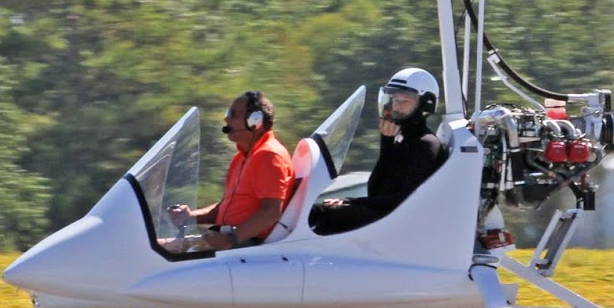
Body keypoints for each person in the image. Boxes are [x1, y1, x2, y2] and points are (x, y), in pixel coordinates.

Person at [310, 67, 445, 235]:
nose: (396, 107)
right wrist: (386, 142)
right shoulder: (402, 139)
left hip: (401, 226)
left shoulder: (426, 144)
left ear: (425, 105)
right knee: (317, 211)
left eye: (404, 101)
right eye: (394, 100)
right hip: (388, 216)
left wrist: (351, 202)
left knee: (325, 214)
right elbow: (376, 189)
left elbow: (406, 200)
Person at [166, 90, 293, 252]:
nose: (226, 119)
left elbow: (271, 212)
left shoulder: (269, 155)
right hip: (232, 240)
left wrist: (231, 238)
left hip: (247, 247)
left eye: (233, 114)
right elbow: (227, 207)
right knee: (159, 248)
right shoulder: (242, 157)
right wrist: (191, 217)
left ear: (254, 121)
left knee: (163, 251)